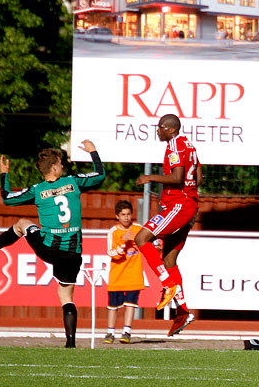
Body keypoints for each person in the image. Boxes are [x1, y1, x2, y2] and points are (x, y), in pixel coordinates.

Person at [0, 141, 105, 348]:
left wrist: (4, 175)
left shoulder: (37, 190)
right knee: (66, 295)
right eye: (61, 163)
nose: (63, 166)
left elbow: (8, 199)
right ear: (54, 167)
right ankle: (70, 343)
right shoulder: (73, 182)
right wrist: (93, 152)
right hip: (73, 253)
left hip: (48, 248)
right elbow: (100, 175)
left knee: (21, 225)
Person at [135, 113, 201, 337]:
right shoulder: (189, 145)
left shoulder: (174, 146)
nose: (157, 130)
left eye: (160, 127)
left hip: (178, 206)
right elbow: (198, 177)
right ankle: (183, 312)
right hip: (189, 204)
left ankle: (167, 283)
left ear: (171, 129)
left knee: (141, 238)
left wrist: (149, 178)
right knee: (169, 259)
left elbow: (178, 177)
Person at [104, 200, 144, 345]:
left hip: (134, 274)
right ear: (117, 216)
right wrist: (123, 242)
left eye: (128, 214)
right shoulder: (113, 232)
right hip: (117, 275)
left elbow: (150, 240)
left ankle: (126, 332)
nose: (126, 217)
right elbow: (112, 253)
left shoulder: (138, 228)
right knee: (113, 306)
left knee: (131, 304)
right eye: (123, 215)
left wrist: (156, 245)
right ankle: (110, 332)